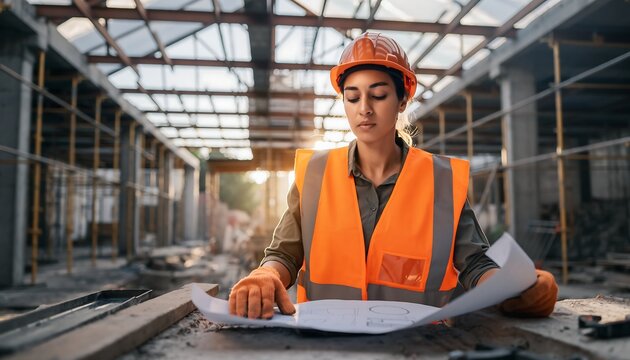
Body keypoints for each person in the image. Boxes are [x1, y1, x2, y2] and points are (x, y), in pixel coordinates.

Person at [228, 32, 558, 320]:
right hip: (325, 345)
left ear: (402, 99)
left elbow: (473, 265)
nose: (364, 108)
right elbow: (284, 254)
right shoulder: (314, 175)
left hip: (418, 346)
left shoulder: (439, 181)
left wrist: (511, 289)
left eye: (379, 94)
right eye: (353, 97)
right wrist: (265, 274)